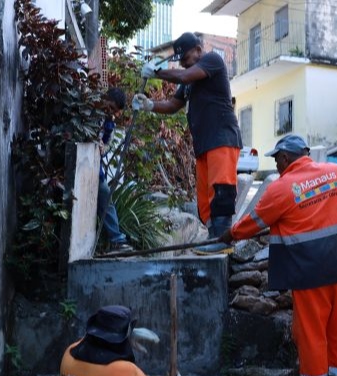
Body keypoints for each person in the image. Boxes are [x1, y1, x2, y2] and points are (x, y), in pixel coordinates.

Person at [218, 135, 337, 376]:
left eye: (276, 160)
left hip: (311, 275)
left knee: (312, 340)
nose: (276, 165)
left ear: (284, 158)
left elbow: (253, 223)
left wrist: (229, 234)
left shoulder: (282, 188)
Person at [132, 32, 242, 255]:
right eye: (180, 60)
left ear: (199, 50)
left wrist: (158, 72)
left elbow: (183, 76)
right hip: (203, 144)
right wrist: (149, 105)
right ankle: (213, 238)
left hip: (222, 136)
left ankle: (224, 240)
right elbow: (173, 104)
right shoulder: (190, 81)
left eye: (186, 58)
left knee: (221, 188)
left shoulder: (212, 61)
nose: (183, 63)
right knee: (205, 198)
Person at [99, 88, 133, 253]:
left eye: (114, 110)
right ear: (105, 98)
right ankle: (116, 238)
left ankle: (116, 240)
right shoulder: (89, 110)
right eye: (110, 106)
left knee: (106, 197)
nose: (110, 111)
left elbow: (107, 145)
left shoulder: (109, 123)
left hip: (95, 167)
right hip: (81, 164)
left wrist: (101, 147)